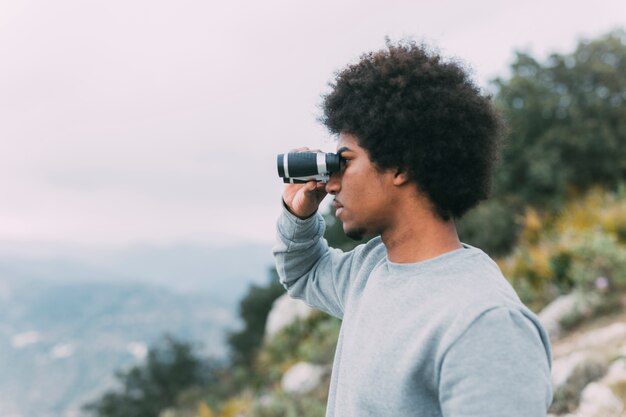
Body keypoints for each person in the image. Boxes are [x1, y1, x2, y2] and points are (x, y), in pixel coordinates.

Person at [273, 40, 552, 417]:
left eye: (346, 162)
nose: (333, 184)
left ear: (401, 166)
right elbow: (304, 272)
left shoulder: (486, 324)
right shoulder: (369, 271)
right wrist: (299, 216)